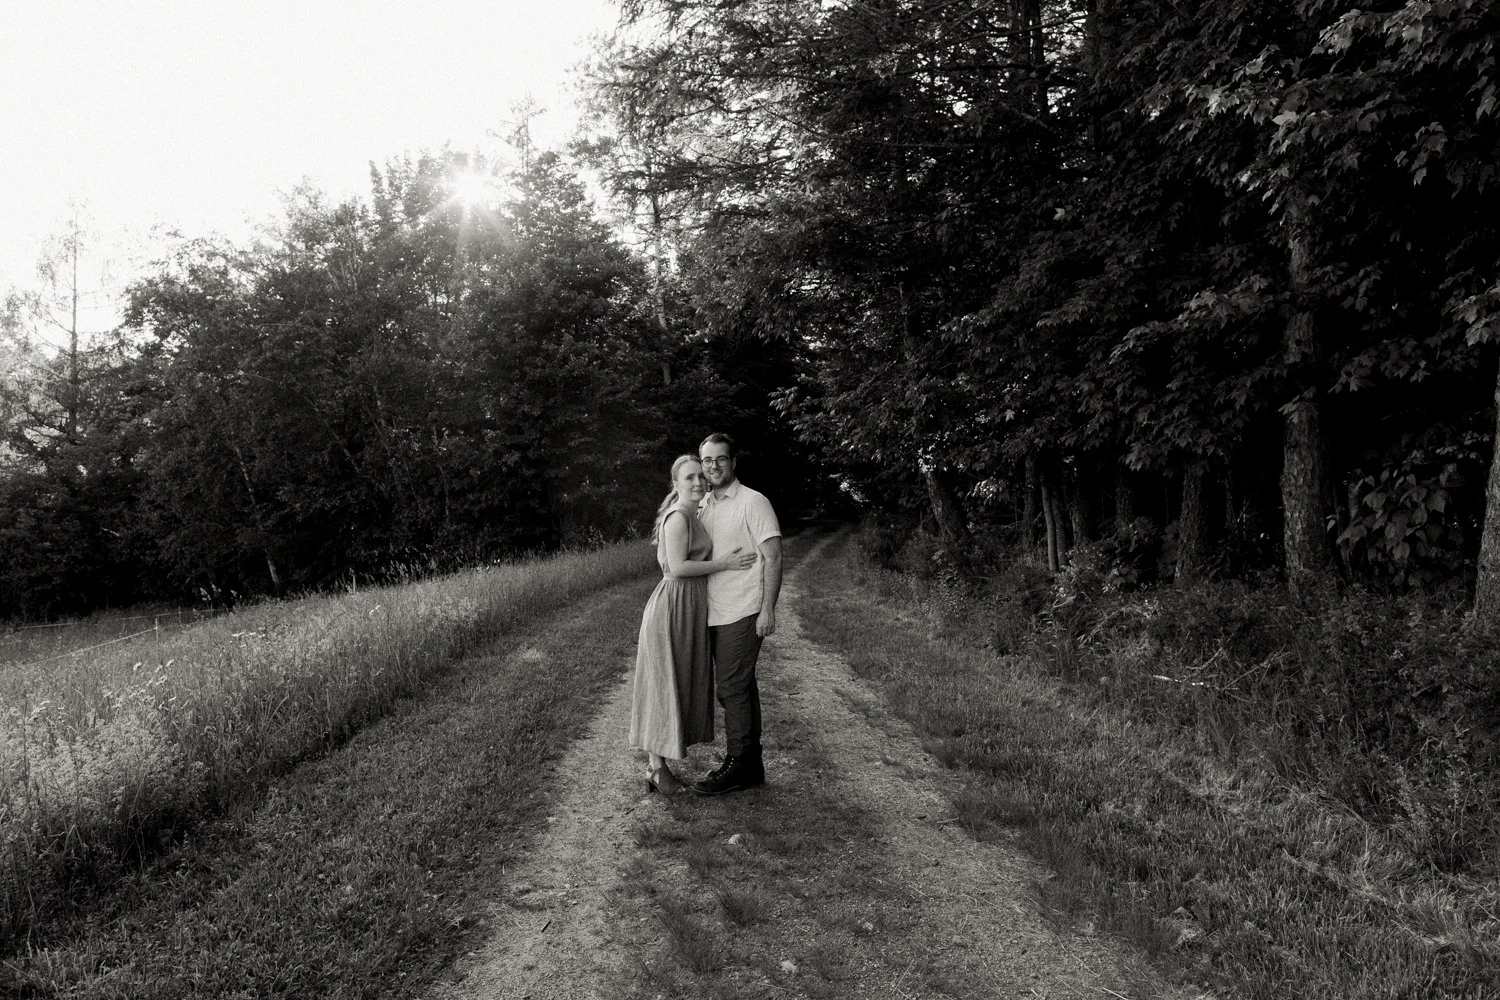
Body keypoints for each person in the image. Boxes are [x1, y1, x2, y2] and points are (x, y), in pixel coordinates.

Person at [630, 454, 758, 795]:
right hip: (672, 608)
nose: (698, 482)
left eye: (701, 476)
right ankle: (657, 769)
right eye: (690, 478)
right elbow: (678, 567)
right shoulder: (677, 518)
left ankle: (660, 766)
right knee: (663, 685)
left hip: (688, 609)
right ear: (676, 483)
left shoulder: (695, 513)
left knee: (677, 682)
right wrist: (726, 564)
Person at [693, 432, 782, 796]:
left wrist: (768, 610)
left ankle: (737, 764)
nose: (713, 466)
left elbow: (774, 556)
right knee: (742, 686)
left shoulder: (753, 502)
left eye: (721, 459)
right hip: (715, 612)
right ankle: (752, 765)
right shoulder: (704, 505)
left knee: (730, 688)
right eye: (707, 460)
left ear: (734, 462)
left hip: (743, 612)